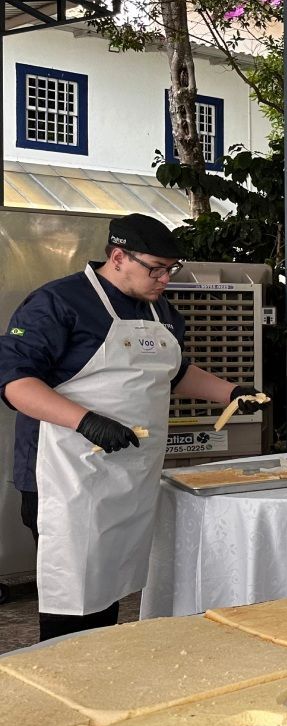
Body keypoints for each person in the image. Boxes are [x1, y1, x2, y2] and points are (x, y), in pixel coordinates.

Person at [0, 214, 265, 640]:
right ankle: (65, 680)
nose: (164, 279)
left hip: (131, 475)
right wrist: (85, 421)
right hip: (68, 474)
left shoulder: (161, 310)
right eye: (155, 268)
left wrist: (231, 391)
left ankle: (101, 668)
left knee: (110, 588)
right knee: (73, 595)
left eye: (171, 269)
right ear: (117, 256)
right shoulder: (60, 302)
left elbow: (175, 373)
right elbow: (15, 382)